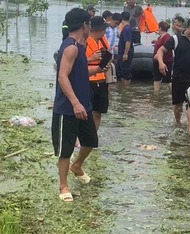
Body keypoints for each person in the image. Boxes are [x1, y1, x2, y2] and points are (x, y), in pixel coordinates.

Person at [52, 8, 104, 202]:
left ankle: (77, 166)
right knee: (65, 149)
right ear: (84, 25)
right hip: (68, 107)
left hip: (84, 105)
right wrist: (75, 103)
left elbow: (80, 75)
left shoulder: (79, 47)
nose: (90, 27)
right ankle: (63, 185)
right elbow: (62, 76)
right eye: (89, 24)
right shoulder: (71, 47)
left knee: (90, 141)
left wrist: (99, 68)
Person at [157, 16, 190, 133]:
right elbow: (161, 50)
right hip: (178, 76)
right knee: (178, 104)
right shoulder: (176, 39)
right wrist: (161, 63)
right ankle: (178, 123)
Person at [85, 16, 110, 130]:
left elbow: (109, 56)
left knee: (98, 112)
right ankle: (80, 139)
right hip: (88, 81)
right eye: (103, 29)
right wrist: (91, 58)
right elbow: (76, 63)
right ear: (96, 29)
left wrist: (106, 65)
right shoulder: (83, 42)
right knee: (85, 112)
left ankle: (93, 137)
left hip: (101, 80)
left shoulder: (103, 41)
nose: (105, 31)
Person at [152, 22, 173, 92]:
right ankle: (156, 93)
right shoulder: (160, 37)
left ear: (160, 28)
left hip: (166, 62)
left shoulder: (167, 37)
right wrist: (156, 41)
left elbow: (166, 47)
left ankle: (173, 92)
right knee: (156, 78)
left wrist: (157, 55)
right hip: (156, 62)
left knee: (168, 80)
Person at [118, 12, 134, 86]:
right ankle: (123, 88)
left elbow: (128, 41)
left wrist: (125, 53)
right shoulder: (126, 28)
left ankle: (126, 87)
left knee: (125, 71)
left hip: (125, 53)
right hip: (122, 52)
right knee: (122, 71)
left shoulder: (126, 28)